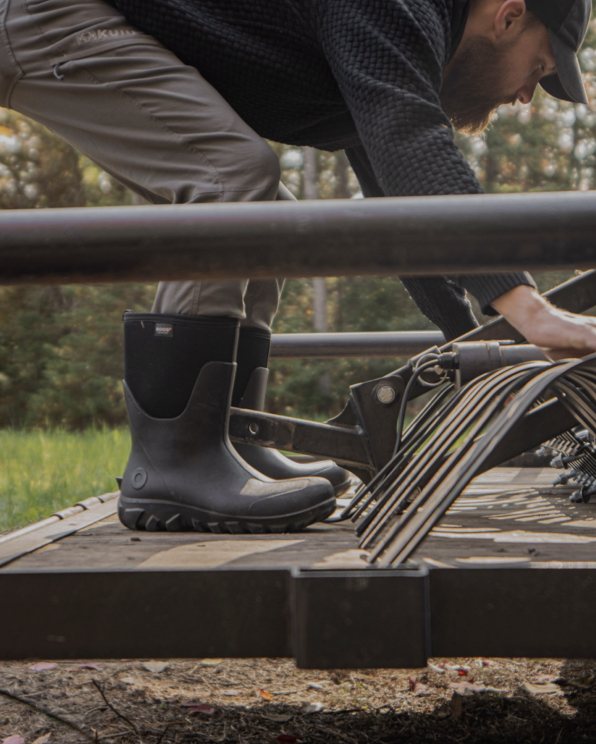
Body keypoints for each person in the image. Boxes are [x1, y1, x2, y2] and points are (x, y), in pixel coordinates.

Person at [0, 0, 593, 533]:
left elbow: (406, 212)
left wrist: (478, 345)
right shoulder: (400, 8)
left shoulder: (402, 42)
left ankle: (230, 438)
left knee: (266, 217)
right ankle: (175, 462)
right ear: (509, 16)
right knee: (229, 177)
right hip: (52, 13)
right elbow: (408, 137)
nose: (524, 97)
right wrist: (527, 307)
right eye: (537, 70)